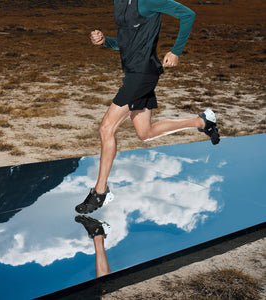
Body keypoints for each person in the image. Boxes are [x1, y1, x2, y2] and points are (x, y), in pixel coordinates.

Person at [75, 0, 220, 214]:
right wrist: (105, 41)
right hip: (132, 73)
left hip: (144, 73)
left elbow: (188, 15)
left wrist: (176, 51)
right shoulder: (119, 3)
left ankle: (100, 192)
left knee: (106, 128)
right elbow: (126, 41)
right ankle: (202, 121)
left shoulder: (149, 0)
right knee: (145, 133)